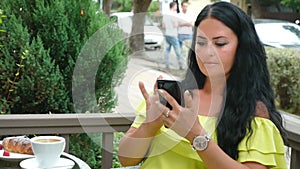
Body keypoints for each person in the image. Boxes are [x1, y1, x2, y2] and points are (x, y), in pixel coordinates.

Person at [118, 2, 287, 169]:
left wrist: (196, 135)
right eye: (201, 43)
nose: (207, 52)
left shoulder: (253, 111)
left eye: (220, 43)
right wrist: (150, 124)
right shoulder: (175, 96)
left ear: (243, 48)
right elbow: (125, 159)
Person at [161, 2, 184, 70]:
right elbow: (175, 24)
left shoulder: (165, 15)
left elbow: (163, 25)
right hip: (173, 34)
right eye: (176, 6)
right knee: (178, 51)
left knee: (167, 50)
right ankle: (181, 65)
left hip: (167, 34)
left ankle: (166, 65)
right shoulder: (173, 14)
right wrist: (179, 24)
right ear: (173, 6)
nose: (177, 7)